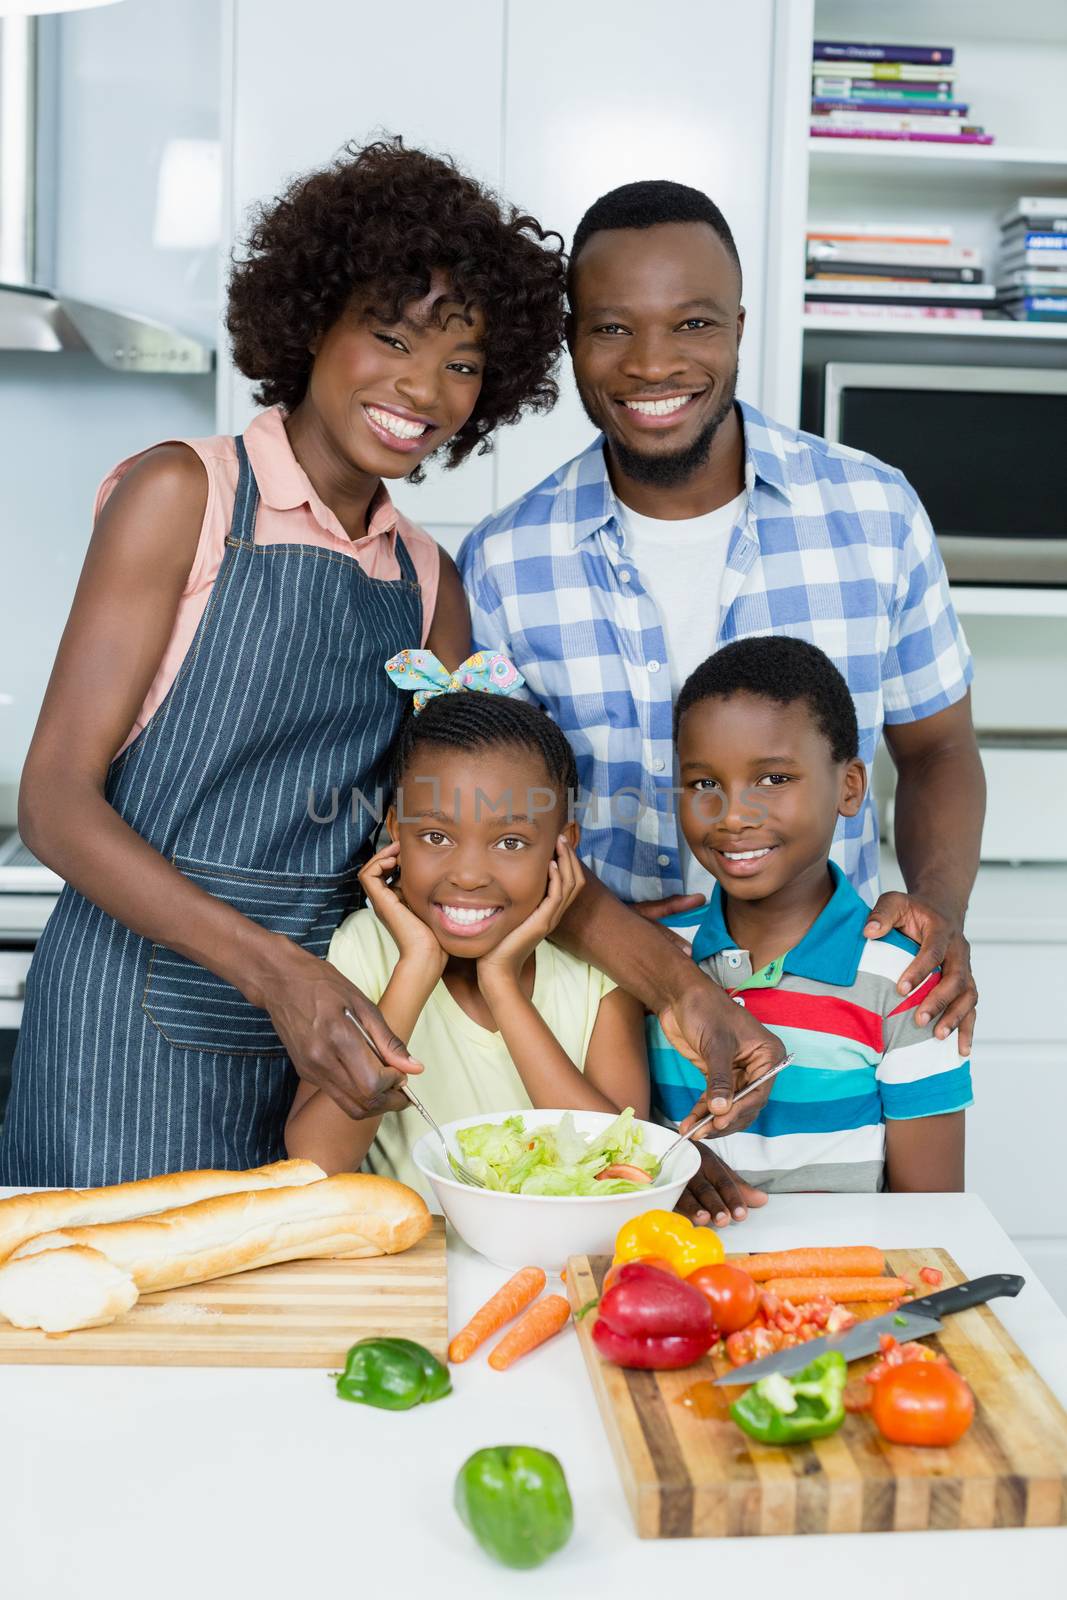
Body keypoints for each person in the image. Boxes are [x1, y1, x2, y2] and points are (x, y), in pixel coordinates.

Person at [1, 138, 567, 1187]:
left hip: (327, 1046)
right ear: (311, 324)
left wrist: (670, 982)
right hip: (128, 1028)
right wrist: (276, 975)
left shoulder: (428, 580)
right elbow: (53, 804)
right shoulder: (187, 496)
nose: (421, 388)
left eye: (461, 363)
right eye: (389, 337)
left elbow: (497, 812)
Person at [458, 177, 985, 1084]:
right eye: (612, 327)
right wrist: (670, 980)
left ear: (739, 326)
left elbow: (937, 748)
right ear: (572, 342)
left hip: (838, 1018)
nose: (650, 363)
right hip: (600, 1028)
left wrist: (936, 913)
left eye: (692, 323)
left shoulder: (872, 509)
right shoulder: (504, 561)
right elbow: (507, 834)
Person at [286, 656, 649, 1200]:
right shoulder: (364, 950)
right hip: (409, 1270)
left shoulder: (598, 977)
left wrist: (501, 984)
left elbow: (624, 1170)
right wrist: (416, 967)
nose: (469, 875)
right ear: (394, 834)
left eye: (510, 842)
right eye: (435, 836)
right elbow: (316, 1162)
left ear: (562, 847)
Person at [648, 635, 972, 1217]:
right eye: (704, 784)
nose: (734, 815)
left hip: (842, 1297)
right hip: (675, 1288)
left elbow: (933, 1217)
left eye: (773, 778)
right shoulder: (660, 963)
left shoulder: (904, 981)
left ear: (849, 787)